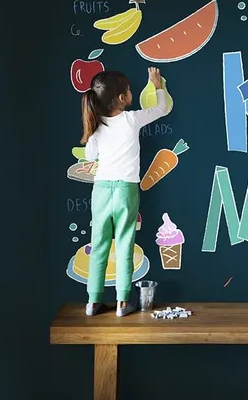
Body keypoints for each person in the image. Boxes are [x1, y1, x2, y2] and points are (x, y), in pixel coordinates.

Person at [80, 68, 172, 317]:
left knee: (98, 245)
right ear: (121, 98)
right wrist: (157, 85)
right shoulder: (131, 120)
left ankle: (93, 302)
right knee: (124, 245)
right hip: (125, 189)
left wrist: (93, 135)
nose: (131, 93)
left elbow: (90, 156)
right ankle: (122, 303)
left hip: (101, 190)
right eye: (129, 90)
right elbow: (161, 109)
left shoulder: (97, 126)